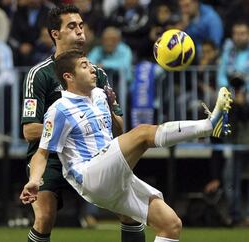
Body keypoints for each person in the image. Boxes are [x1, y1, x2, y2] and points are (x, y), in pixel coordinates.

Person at [20, 49, 233, 242]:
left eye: (91, 64)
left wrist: (113, 112)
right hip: (90, 175)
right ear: (69, 77)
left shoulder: (100, 96)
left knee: (171, 225)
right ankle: (208, 126)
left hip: (115, 177)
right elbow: (42, 152)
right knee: (142, 133)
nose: (92, 69)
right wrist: (34, 181)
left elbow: (118, 133)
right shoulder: (59, 110)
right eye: (84, 66)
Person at [21, 4, 146, 242]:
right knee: (45, 216)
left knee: (130, 212)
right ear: (55, 34)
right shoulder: (39, 74)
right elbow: (29, 131)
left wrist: (109, 111)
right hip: (51, 157)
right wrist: (72, 127)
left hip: (93, 154)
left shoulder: (97, 74)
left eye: (81, 25)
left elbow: (118, 126)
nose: (80, 31)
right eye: (72, 26)